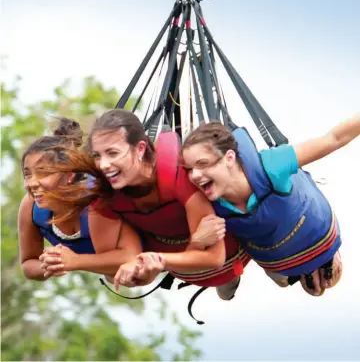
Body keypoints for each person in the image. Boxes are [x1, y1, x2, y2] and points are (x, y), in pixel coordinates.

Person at [41, 109, 251, 300]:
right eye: (97, 155)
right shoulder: (107, 197)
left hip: (229, 259)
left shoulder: (179, 177)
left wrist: (156, 259)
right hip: (180, 268)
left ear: (140, 148)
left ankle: (260, 265)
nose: (104, 165)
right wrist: (145, 267)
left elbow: (214, 257)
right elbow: (125, 270)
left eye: (113, 153)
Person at [180, 114, 360, 296]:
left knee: (321, 283)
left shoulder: (273, 166)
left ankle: (326, 257)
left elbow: (334, 139)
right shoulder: (199, 197)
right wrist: (197, 243)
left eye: (203, 164)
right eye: (189, 169)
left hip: (311, 228)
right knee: (275, 282)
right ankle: (233, 273)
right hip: (269, 253)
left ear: (229, 158)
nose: (194, 175)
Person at [18, 117, 157, 284]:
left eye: (44, 172)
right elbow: (28, 263)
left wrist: (74, 261)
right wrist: (51, 265)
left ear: (69, 175)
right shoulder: (30, 207)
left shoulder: (97, 201)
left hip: (154, 254)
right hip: (117, 274)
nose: (32, 183)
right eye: (28, 174)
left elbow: (129, 256)